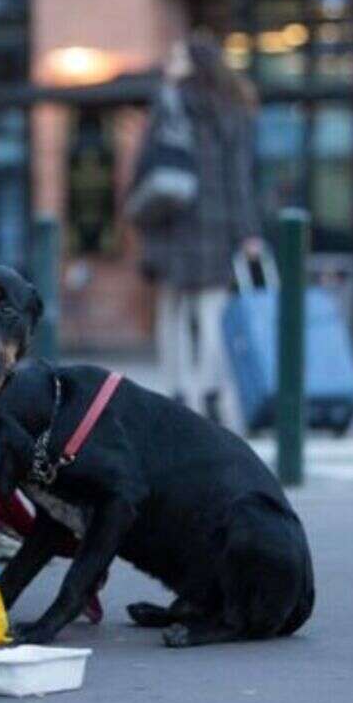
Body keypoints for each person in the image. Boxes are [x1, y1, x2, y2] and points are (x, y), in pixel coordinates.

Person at [133, 35, 264, 431]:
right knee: (211, 312)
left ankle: (175, 390)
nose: (169, 61)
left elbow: (147, 164)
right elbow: (239, 178)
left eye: (176, 56)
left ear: (192, 64)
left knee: (171, 309)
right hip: (217, 224)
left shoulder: (169, 103)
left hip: (172, 220)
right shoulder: (234, 108)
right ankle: (208, 390)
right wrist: (248, 232)